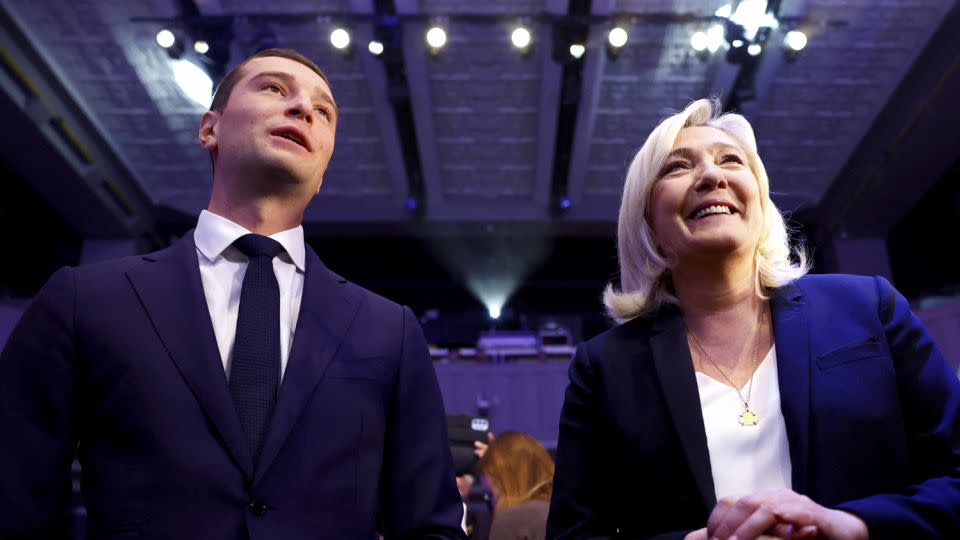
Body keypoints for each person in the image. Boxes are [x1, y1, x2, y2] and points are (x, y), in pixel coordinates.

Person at [0, 48, 465, 539]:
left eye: (323, 111)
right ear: (210, 129)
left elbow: (429, 526)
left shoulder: (389, 331)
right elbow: (13, 501)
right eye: (274, 88)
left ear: (323, 170)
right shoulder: (86, 300)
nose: (304, 108)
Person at [546, 98, 960, 540]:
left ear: (760, 202)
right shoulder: (604, 367)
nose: (711, 175)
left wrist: (852, 526)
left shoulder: (868, 307)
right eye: (677, 167)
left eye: (731, 160)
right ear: (648, 223)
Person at [478, 432, 553, 540]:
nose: (493, 503)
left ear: (505, 482)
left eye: (490, 495)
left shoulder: (511, 520)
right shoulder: (569, 512)